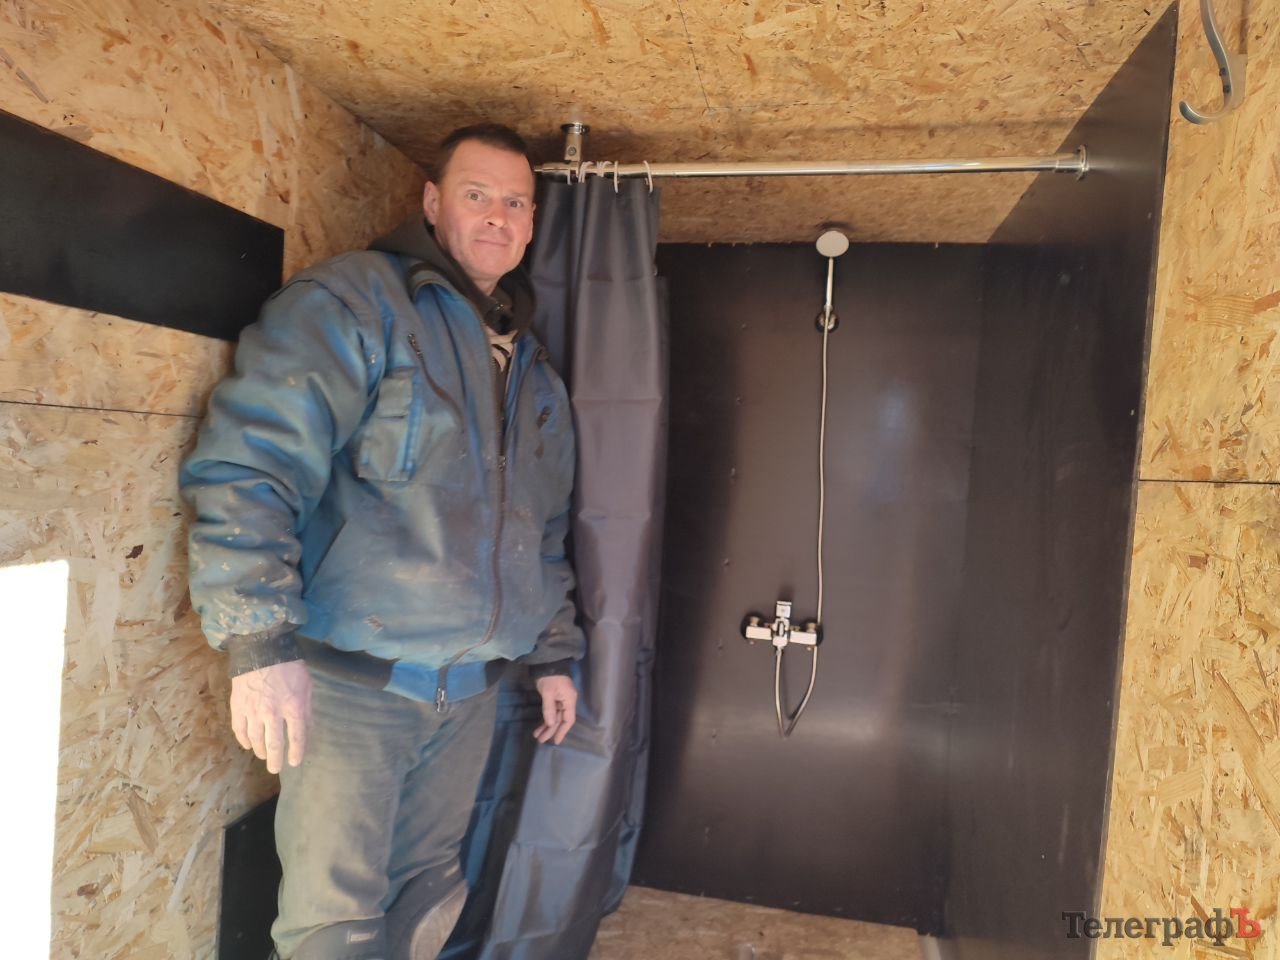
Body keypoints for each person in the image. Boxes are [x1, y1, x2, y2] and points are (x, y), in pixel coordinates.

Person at [180, 123, 583, 960]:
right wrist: (258, 641)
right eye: (477, 194)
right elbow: (251, 463)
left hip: (470, 694)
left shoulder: (532, 369)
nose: (498, 216)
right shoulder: (356, 303)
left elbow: (540, 534)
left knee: (430, 894)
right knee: (336, 923)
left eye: (517, 203)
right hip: (354, 688)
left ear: (531, 226)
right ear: (433, 203)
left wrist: (553, 654)